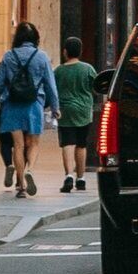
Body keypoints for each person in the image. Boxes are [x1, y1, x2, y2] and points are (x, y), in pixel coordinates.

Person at [0, 23, 54, 197]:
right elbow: (50, 84)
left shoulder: (9, 56)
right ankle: (29, 170)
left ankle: (21, 187)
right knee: (33, 143)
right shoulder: (42, 56)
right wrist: (55, 107)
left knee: (18, 145)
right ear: (36, 38)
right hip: (34, 104)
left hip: (12, 104)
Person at [54, 37, 101, 194]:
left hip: (65, 110)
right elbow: (96, 87)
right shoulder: (87, 69)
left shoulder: (59, 71)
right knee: (81, 145)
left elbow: (53, 90)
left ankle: (69, 175)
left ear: (65, 52)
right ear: (80, 51)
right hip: (83, 111)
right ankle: (81, 179)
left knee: (67, 143)